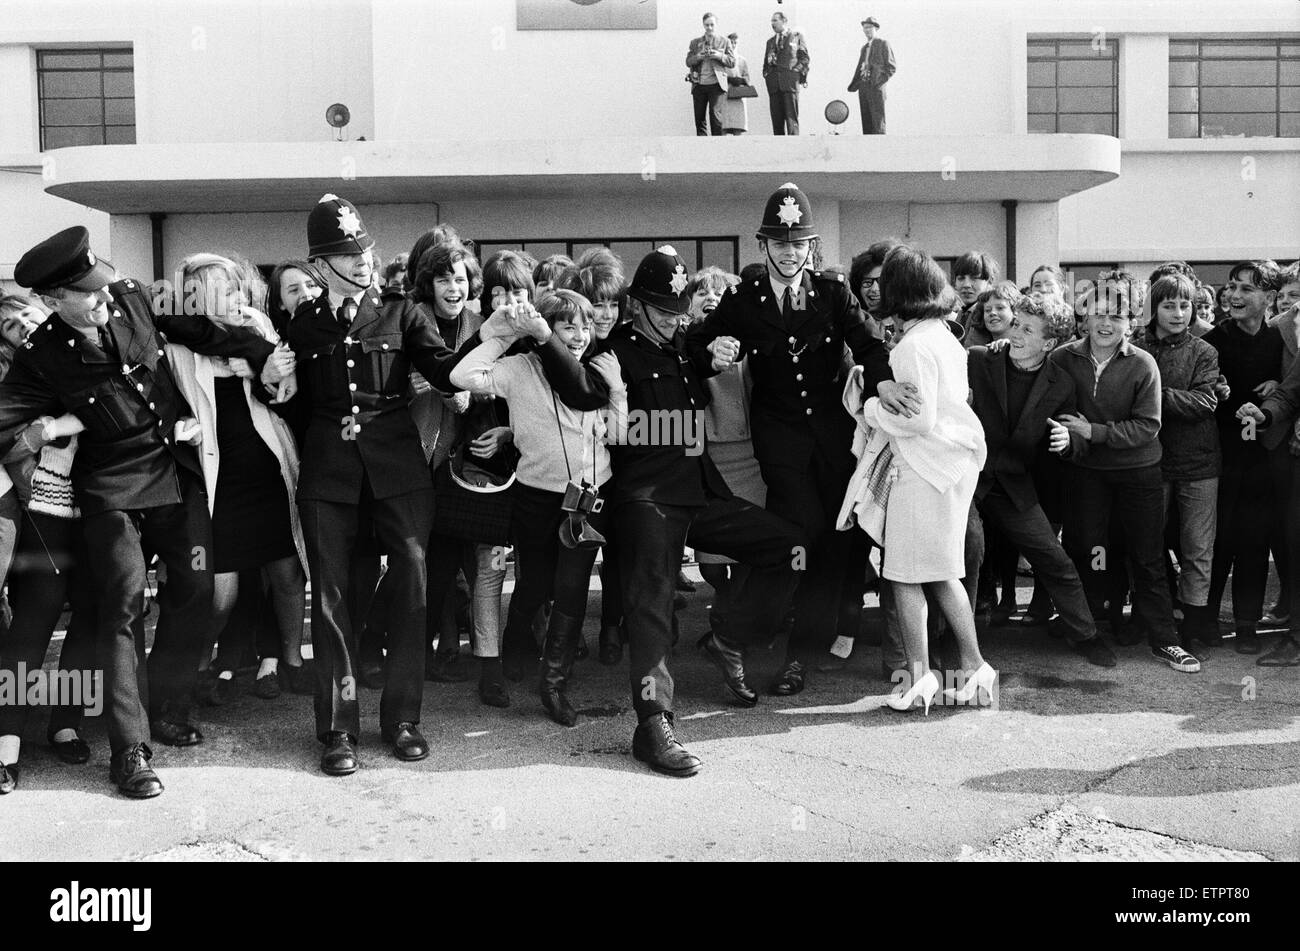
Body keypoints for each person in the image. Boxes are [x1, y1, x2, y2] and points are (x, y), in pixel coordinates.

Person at [0, 226, 289, 798]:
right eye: (88, 295)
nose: (105, 300)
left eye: (103, 286)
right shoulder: (40, 359)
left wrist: (261, 352)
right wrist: (46, 432)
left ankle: (165, 703)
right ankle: (129, 750)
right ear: (54, 302)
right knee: (123, 605)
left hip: (176, 476)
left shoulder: (133, 294)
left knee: (199, 590)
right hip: (112, 492)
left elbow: (200, 329)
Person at [545, 246, 807, 775]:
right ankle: (652, 723)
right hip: (645, 498)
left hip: (700, 491)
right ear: (637, 306)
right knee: (651, 608)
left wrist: (716, 349)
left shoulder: (684, 344)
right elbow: (579, 395)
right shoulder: (612, 354)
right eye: (665, 309)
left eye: (680, 309)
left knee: (792, 548)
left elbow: (718, 336)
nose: (676, 317)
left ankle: (728, 633)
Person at [283, 195, 498, 776]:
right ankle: (337, 728)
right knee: (331, 598)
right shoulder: (301, 323)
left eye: (365, 250)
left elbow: (443, 368)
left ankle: (403, 718)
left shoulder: (404, 311)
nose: (361, 262)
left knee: (411, 586)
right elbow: (292, 401)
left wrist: (493, 338)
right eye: (345, 255)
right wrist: (267, 379)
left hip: (399, 469)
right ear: (316, 264)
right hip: (330, 472)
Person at [686, 184, 916, 698]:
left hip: (833, 439)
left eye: (799, 243)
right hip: (782, 444)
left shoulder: (832, 292)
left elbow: (869, 343)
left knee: (835, 543)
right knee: (800, 539)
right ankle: (745, 631)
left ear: (809, 247)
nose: (790, 252)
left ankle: (800, 655)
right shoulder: (744, 300)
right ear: (762, 246)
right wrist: (713, 354)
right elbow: (696, 345)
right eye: (780, 242)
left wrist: (881, 382)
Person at [451, 289, 614, 725]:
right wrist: (503, 334)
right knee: (535, 585)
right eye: (567, 327)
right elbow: (463, 375)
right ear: (546, 332)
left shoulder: (601, 367)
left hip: (589, 498)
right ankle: (517, 637)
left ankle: (555, 684)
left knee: (573, 589)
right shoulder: (520, 368)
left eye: (584, 326)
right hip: (536, 497)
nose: (578, 336)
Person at [840, 245, 992, 713]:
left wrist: (868, 409)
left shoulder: (910, 346)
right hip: (952, 468)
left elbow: (917, 420)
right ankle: (974, 669)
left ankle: (919, 677)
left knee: (903, 576)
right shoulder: (945, 334)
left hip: (922, 468)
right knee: (945, 573)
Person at [165, 254, 309, 703]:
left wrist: (264, 375)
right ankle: (200, 664)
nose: (235, 297)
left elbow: (287, 394)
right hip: (216, 479)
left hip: (266, 467)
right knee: (220, 592)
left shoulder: (258, 327)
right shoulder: (178, 343)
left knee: (287, 573)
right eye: (221, 290)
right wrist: (178, 430)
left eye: (234, 287)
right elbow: (167, 404)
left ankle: (292, 660)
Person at [1051, 274, 1200, 672]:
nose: (1105, 322)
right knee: (1090, 549)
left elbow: (1148, 426)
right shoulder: (1063, 358)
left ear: (1130, 323)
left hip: (1139, 472)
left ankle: (1165, 640)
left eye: (1116, 315)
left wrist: (1093, 431)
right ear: (1084, 316)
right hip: (1088, 473)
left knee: (1147, 556)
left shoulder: (1142, 363)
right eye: (1098, 313)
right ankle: (1091, 627)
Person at [966, 295, 1115, 666]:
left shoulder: (1060, 384)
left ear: (1048, 343)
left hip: (1013, 485)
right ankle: (952, 637)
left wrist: (1068, 443)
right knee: (967, 550)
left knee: (1054, 558)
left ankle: (1085, 634)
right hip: (965, 479)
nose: (1015, 332)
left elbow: (1075, 436)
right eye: (1016, 323)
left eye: (1027, 329)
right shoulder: (979, 359)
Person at [0, 297, 96, 794]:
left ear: (51, 312)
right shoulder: (19, 375)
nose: (20, 328)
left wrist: (59, 426)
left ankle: (66, 722)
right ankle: (7, 743)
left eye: (27, 316)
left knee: (91, 616)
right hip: (44, 508)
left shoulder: (94, 348)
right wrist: (42, 432)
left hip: (103, 507)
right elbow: (11, 438)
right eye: (9, 326)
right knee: (34, 623)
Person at [1133, 273, 1221, 648]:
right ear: (1155, 308)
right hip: (1150, 461)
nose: (1179, 313)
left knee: (1197, 547)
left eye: (1186, 305)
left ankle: (1196, 620)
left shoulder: (1204, 351)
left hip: (1200, 463)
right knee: (1147, 543)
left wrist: (1155, 395)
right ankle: (1150, 616)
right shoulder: (1137, 348)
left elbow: (1206, 402)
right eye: (1169, 305)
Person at [1204, 260, 1284, 654]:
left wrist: (1278, 386)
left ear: (1268, 298)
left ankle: (1248, 624)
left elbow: (1292, 388)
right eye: (1231, 287)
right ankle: (1205, 620)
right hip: (1222, 455)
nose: (1233, 295)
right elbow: (1207, 393)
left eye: (1245, 289)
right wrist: (1228, 401)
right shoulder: (1215, 341)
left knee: (1255, 540)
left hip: (1264, 459)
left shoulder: (1280, 341)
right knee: (1217, 541)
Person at [686, 12, 734, 136]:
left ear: (716, 25)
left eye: (712, 25)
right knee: (699, 118)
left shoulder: (725, 41)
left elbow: (732, 62)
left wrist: (719, 56)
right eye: (707, 25)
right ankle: (703, 148)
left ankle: (718, 146)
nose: (709, 28)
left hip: (717, 85)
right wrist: (698, 57)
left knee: (716, 116)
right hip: (699, 84)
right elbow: (688, 61)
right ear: (703, 25)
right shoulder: (695, 42)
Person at [762, 10, 809, 135]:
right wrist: (767, 75)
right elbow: (765, 64)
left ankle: (794, 148)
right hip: (774, 86)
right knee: (777, 121)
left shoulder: (796, 37)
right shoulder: (770, 42)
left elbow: (804, 59)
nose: (772, 23)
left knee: (791, 119)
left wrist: (795, 73)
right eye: (771, 21)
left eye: (775, 20)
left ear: (784, 21)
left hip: (790, 84)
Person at [846, 16, 896, 134]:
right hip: (863, 87)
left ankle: (879, 149)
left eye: (869, 27)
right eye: (865, 28)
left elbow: (891, 67)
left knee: (877, 122)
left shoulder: (883, 43)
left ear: (876, 28)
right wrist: (858, 83)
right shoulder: (864, 48)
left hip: (876, 88)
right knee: (866, 121)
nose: (867, 30)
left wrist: (878, 82)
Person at [721, 32, 751, 135]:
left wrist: (742, 80)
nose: (733, 45)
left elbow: (747, 77)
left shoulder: (742, 60)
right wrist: (728, 79)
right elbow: (717, 75)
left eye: (735, 43)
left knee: (738, 126)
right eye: (731, 43)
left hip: (738, 94)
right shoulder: (722, 59)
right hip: (725, 93)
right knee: (723, 124)